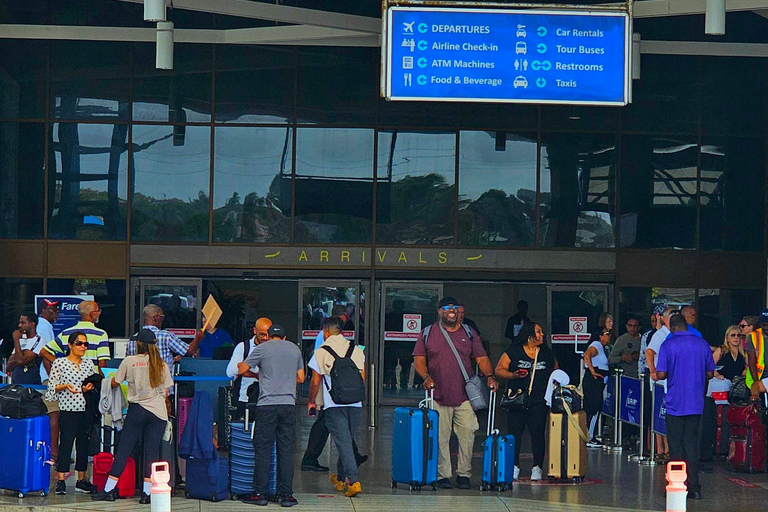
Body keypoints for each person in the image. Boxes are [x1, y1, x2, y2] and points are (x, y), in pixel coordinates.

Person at [413, 297, 497, 490]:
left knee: (468, 433)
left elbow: (481, 357)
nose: (452, 310)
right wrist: (426, 377)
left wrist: (490, 376)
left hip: (465, 396)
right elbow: (419, 360)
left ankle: (464, 474)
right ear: (439, 311)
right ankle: (443, 475)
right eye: (447, 308)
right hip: (438, 395)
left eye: (455, 307)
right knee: (441, 436)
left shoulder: (468, 332)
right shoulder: (427, 333)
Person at [91, 328, 174, 503]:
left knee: (124, 450)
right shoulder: (162, 364)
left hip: (137, 410)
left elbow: (115, 382)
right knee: (151, 452)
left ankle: (108, 489)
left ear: (138, 344)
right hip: (158, 413)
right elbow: (165, 393)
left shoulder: (130, 361)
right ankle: (147, 493)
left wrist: (106, 382)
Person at [238, 325, 304, 507]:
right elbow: (301, 377)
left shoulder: (262, 348)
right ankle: (286, 495)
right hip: (288, 405)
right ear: (283, 337)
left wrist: (258, 375)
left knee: (263, 449)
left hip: (267, 405)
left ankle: (260, 493)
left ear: (269, 336)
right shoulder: (294, 349)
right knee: (285, 449)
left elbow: (241, 368)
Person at [655, 314, 715, 500]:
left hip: (675, 403)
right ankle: (695, 487)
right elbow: (710, 372)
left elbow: (662, 373)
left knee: (676, 445)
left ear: (672, 327)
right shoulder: (702, 344)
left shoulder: (668, 345)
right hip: (696, 403)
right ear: (686, 325)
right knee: (692, 445)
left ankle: (676, 485)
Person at [301, 311, 367, 472]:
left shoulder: (322, 349)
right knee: (343, 434)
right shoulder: (356, 349)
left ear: (326, 331)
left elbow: (316, 381)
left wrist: (311, 400)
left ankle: (346, 470)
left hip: (330, 399)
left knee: (338, 433)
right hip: (352, 401)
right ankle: (348, 469)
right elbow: (362, 378)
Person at [494, 322, 556, 481]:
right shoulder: (513, 351)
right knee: (515, 433)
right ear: (529, 335)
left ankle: (537, 467)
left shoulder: (547, 353)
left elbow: (556, 372)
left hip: (539, 401)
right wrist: (512, 376)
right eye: (538, 332)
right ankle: (514, 465)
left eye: (542, 332)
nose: (542, 335)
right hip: (517, 399)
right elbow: (499, 370)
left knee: (538, 434)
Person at [46, 331, 98, 495]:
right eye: (79, 343)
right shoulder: (60, 363)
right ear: (70, 345)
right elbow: (52, 388)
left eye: (85, 344)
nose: (83, 347)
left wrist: (89, 387)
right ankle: (61, 479)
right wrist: (65, 386)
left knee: (83, 444)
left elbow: (94, 381)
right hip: (68, 408)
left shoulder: (88, 364)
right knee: (66, 444)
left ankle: (81, 479)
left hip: (85, 409)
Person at [700, 325, 746, 460]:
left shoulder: (743, 353)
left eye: (739, 335)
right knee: (720, 418)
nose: (736, 338)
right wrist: (716, 374)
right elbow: (708, 367)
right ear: (727, 337)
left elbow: (749, 367)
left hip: (737, 389)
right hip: (721, 390)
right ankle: (718, 447)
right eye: (733, 335)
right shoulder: (722, 351)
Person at [128, 304, 203, 370]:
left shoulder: (132, 340)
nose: (163, 319)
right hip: (162, 385)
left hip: (139, 385)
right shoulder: (166, 336)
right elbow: (189, 351)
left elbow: (130, 365)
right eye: (162, 316)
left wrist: (172, 360)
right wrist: (197, 338)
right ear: (156, 318)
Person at [41, 300, 110, 370]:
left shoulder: (66, 333)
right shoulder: (101, 334)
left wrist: (62, 365)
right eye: (98, 310)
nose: (99, 313)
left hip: (70, 377)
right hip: (92, 379)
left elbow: (44, 352)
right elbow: (102, 363)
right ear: (92, 314)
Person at [648, 306, 677, 460]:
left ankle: (665, 449)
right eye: (672, 314)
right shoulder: (661, 334)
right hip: (660, 382)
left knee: (664, 415)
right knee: (661, 415)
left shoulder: (675, 334)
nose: (675, 316)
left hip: (671, 381)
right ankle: (662, 449)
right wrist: (653, 371)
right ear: (664, 318)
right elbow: (649, 352)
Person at [227, 317, 271, 419]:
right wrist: (255, 375)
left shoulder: (273, 348)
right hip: (245, 398)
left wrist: (246, 368)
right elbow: (231, 371)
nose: (265, 338)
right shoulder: (243, 347)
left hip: (268, 399)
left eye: (268, 334)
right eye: (262, 334)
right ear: (255, 331)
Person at [37, 299, 60, 464]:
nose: (56, 311)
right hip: (48, 377)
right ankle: (54, 453)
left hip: (47, 376)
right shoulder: (44, 326)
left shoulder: (46, 326)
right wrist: (54, 377)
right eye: (53, 309)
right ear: (44, 311)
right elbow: (45, 354)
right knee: (54, 414)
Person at [583, 328, 612, 447]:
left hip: (598, 380)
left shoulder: (602, 347)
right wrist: (592, 371)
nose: (609, 336)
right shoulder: (596, 345)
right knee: (594, 408)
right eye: (607, 334)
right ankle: (590, 437)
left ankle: (591, 434)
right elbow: (587, 354)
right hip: (594, 379)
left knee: (594, 407)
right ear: (600, 336)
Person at [7, 312, 46, 385]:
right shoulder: (20, 341)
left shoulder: (39, 340)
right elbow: (8, 366)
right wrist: (20, 357)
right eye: (19, 323)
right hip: (16, 384)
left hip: (32, 385)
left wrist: (16, 340)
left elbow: (21, 361)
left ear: (32, 324)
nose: (19, 325)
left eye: (23, 323)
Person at [744, 309, 767, 391]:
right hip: (758, 377)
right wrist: (757, 384)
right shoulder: (754, 336)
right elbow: (751, 361)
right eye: (764, 324)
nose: (766, 327)